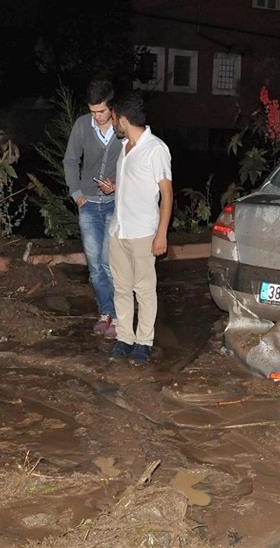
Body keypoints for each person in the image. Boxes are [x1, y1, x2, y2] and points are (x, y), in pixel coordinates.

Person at [106, 91, 173, 366]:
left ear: (123, 119)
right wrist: (116, 188)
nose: (112, 125)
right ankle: (125, 338)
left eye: (113, 119)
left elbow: (166, 194)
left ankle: (144, 342)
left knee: (144, 289)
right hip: (118, 230)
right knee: (121, 288)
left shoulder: (156, 149)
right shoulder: (125, 147)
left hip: (143, 232)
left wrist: (161, 233)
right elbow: (135, 185)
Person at [63, 79, 120, 339]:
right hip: (87, 205)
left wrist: (117, 186)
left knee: (110, 263)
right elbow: (71, 159)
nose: (96, 116)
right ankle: (104, 313)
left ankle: (119, 316)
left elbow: (135, 163)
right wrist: (76, 192)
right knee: (95, 266)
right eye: (92, 111)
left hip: (114, 206)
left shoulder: (122, 127)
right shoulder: (83, 125)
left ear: (112, 107)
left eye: (101, 111)